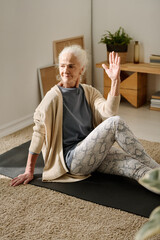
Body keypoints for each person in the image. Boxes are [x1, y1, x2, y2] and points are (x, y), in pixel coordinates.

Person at [10, 45, 160, 194]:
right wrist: (29, 170)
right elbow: (38, 133)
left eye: (71, 66)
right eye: (62, 66)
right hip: (74, 160)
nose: (65, 70)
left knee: (134, 166)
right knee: (116, 122)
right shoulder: (52, 98)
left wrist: (115, 81)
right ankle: (157, 168)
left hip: (94, 153)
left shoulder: (89, 92)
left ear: (81, 69)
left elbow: (109, 112)